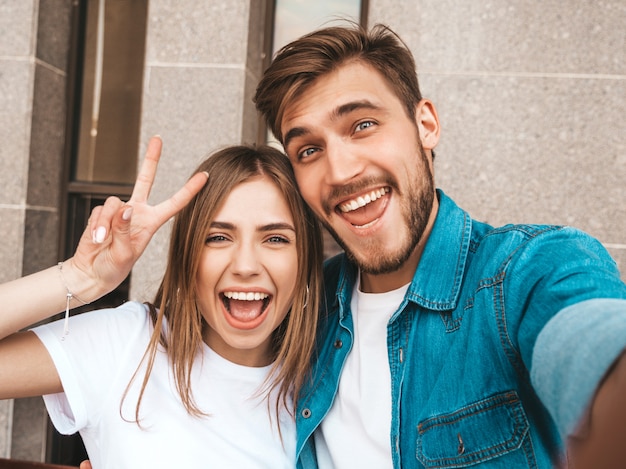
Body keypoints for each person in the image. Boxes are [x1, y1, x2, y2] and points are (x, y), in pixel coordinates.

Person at [253, 23, 626, 468]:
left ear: (425, 125)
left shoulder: (527, 270)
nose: (340, 171)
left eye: (363, 125)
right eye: (308, 151)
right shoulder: (305, 306)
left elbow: (592, 338)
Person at [0, 138, 324, 468]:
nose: (245, 265)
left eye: (275, 239)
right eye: (218, 237)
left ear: (305, 260)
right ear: (188, 257)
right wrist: (82, 277)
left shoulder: (327, 383)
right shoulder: (129, 344)